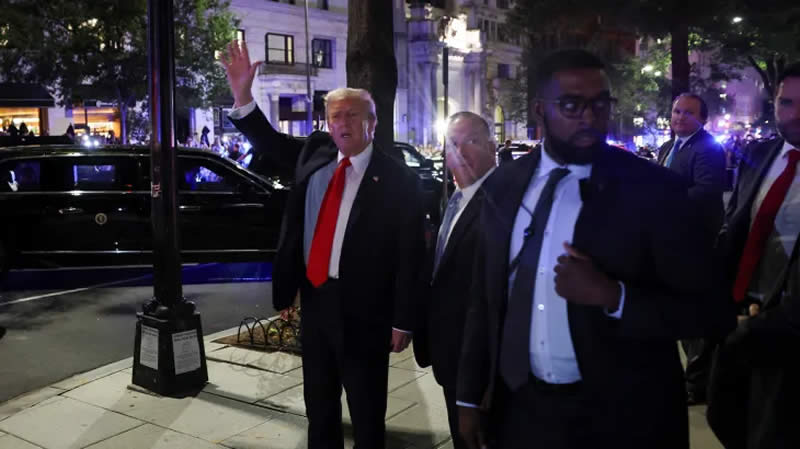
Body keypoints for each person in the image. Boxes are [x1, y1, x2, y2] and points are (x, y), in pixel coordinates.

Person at [455, 49, 733, 449]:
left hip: (620, 418)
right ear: (540, 109)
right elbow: (481, 298)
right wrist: (468, 396)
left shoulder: (655, 191)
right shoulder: (503, 185)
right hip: (520, 411)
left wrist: (613, 296)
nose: (589, 117)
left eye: (600, 103)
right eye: (572, 105)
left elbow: (711, 313)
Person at [221, 40, 425, 449]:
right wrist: (242, 95)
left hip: (367, 312)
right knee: (319, 407)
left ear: (372, 121)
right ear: (327, 123)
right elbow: (269, 142)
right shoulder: (315, 155)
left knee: (368, 414)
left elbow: (410, 256)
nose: (342, 123)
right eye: (335, 116)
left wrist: (403, 320)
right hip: (316, 303)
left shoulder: (399, 179)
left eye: (352, 115)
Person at [707, 62, 800, 449]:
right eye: (787, 103)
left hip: (790, 332)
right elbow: (735, 229)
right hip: (738, 317)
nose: (795, 115)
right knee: (730, 417)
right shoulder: (761, 154)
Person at [413, 111, 496, 449]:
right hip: (451, 352)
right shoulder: (456, 198)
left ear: (492, 147)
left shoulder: (500, 200)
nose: (461, 151)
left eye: (471, 141)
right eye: (453, 143)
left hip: (480, 361)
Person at [657, 93, 728, 405]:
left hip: (697, 242)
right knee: (681, 314)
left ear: (703, 119)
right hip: (672, 242)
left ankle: (696, 384)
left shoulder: (707, 148)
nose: (679, 117)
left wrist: (663, 203)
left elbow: (706, 190)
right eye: (676, 111)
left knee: (695, 316)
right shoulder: (667, 147)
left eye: (688, 113)